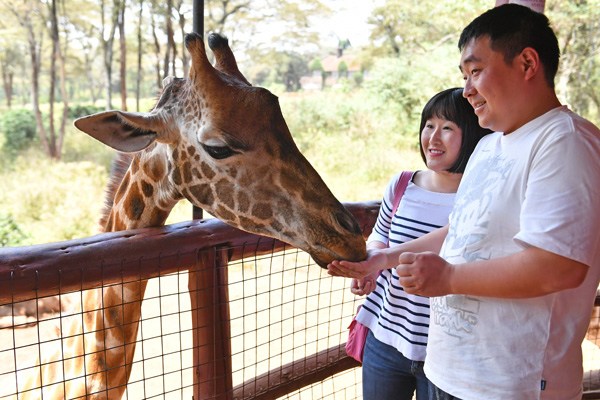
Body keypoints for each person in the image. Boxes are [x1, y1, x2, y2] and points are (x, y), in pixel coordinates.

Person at [329, 4, 600, 400]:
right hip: (449, 371)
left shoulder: (564, 141)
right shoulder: (489, 146)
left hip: (511, 385)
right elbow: (462, 232)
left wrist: (450, 278)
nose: (467, 89)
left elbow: (558, 266)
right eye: (464, 76)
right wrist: (382, 260)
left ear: (527, 63)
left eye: (475, 71)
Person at [353, 87, 491, 400]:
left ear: (470, 135)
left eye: (447, 128)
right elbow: (380, 235)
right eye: (429, 125)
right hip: (386, 338)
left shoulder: (479, 196)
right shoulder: (403, 183)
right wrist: (373, 263)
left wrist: (382, 259)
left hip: (446, 351)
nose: (433, 137)